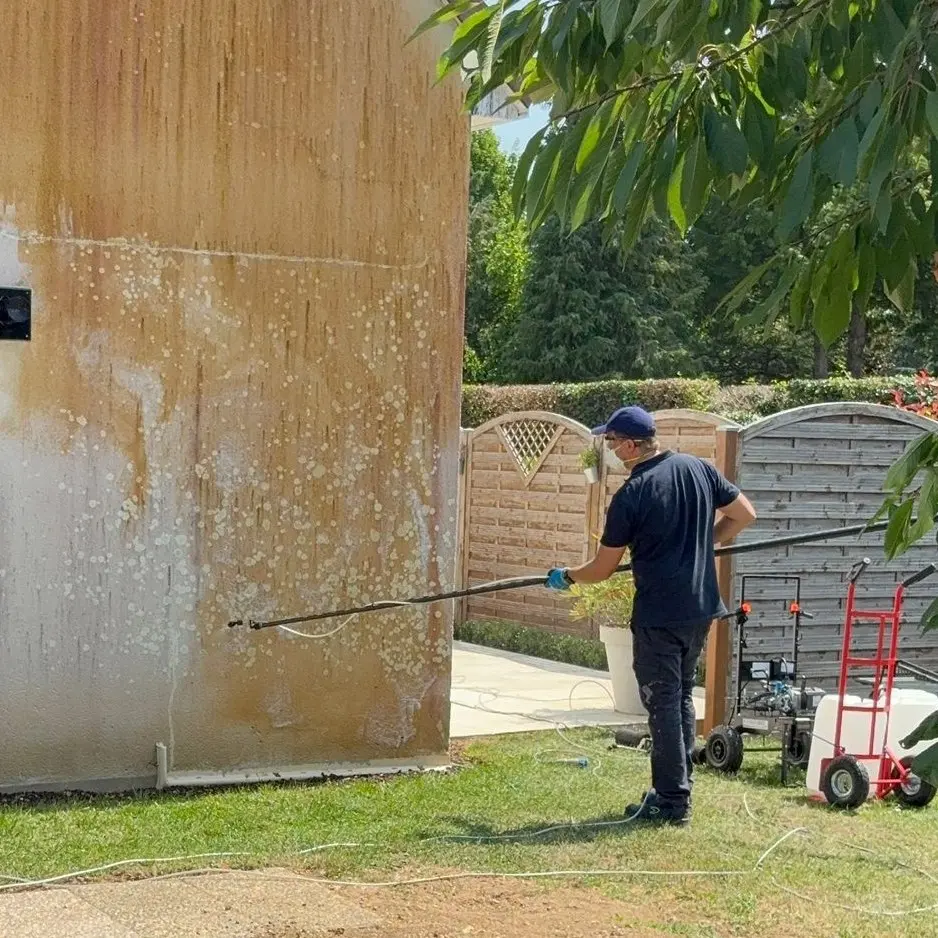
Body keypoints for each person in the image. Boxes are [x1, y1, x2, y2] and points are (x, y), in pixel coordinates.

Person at [545, 405, 757, 825]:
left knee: (662, 702)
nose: (608, 450)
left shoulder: (632, 495)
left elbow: (602, 569)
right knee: (677, 697)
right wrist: (704, 544)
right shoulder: (698, 468)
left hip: (660, 614)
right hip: (699, 608)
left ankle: (671, 802)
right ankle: (677, 788)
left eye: (610, 443)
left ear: (628, 445)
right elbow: (744, 515)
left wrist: (566, 576)